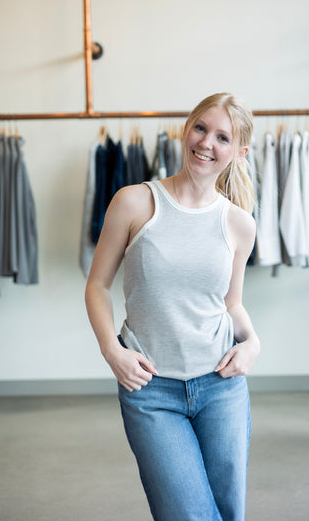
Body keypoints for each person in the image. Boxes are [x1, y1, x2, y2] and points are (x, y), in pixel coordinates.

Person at [85, 92, 261, 521]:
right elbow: (96, 286)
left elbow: (231, 303)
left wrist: (252, 342)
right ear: (187, 129)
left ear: (240, 152)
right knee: (188, 514)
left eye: (223, 137)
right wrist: (113, 351)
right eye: (201, 128)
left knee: (228, 513)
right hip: (152, 390)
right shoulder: (134, 201)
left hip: (221, 386)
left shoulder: (239, 224)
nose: (206, 143)